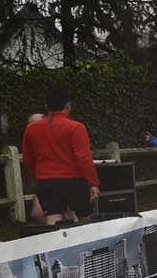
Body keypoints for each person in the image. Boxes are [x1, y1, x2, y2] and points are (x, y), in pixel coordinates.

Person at [22, 90, 99, 224]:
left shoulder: (31, 129)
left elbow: (28, 158)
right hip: (74, 180)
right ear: (68, 106)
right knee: (84, 218)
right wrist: (93, 183)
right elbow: (83, 157)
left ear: (46, 106)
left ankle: (56, 236)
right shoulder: (76, 127)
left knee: (52, 218)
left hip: (46, 180)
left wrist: (38, 176)